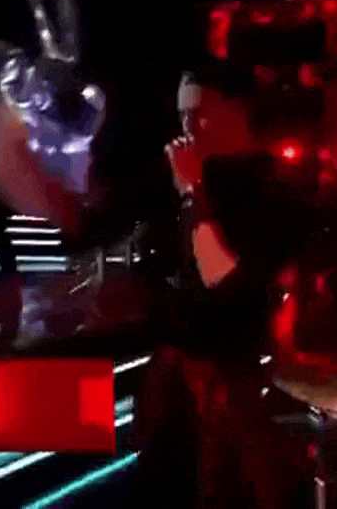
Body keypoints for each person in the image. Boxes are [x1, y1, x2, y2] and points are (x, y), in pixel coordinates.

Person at [135, 62, 320, 508]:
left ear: (239, 112)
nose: (187, 128)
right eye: (182, 115)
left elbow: (222, 278)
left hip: (236, 378)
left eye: (200, 114)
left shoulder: (271, 189)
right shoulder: (196, 175)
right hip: (179, 366)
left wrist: (194, 193)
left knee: (227, 488)